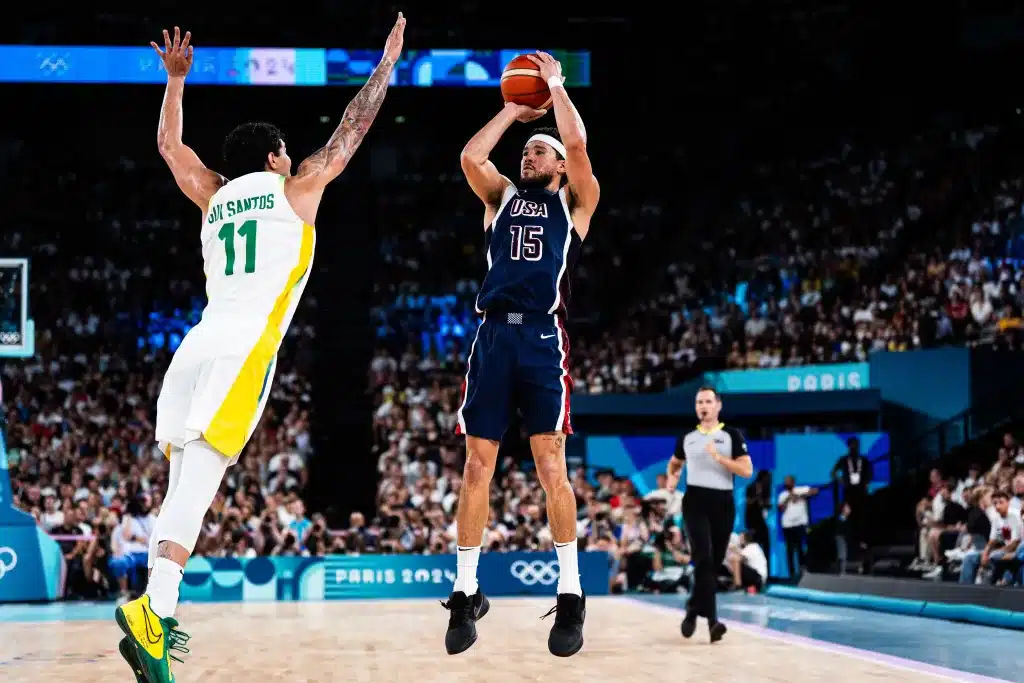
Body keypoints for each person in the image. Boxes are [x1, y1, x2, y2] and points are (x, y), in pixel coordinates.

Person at [114, 18, 405, 683]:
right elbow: (351, 130)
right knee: (204, 478)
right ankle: (154, 609)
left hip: (195, 343)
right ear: (276, 156)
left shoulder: (212, 195)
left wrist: (176, 80)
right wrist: (384, 66)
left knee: (185, 479)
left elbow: (168, 143)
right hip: (245, 345)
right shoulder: (297, 188)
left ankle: (157, 612)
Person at [445, 51, 600, 658]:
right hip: (492, 338)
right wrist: (512, 109)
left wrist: (556, 88)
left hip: (542, 337)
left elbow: (581, 146)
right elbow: (469, 157)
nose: (527, 156)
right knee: (476, 465)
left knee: (549, 464)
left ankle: (570, 593)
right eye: (527, 150)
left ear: (559, 167)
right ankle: (465, 591)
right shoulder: (501, 198)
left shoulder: (575, 203)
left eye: (538, 151)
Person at [665, 387, 753, 643]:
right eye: (699, 402)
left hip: (723, 502)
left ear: (718, 406)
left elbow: (746, 470)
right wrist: (673, 476)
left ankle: (693, 610)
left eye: (708, 401)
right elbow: (675, 461)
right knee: (703, 558)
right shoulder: (688, 437)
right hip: (695, 502)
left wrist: (719, 458)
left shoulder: (731, 435)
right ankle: (713, 622)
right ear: (696, 407)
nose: (703, 406)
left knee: (713, 564)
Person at [778, 475, 818, 579]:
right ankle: (791, 574)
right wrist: (788, 498)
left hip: (800, 524)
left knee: (801, 548)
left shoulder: (801, 489)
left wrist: (800, 496)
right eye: (785, 482)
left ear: (793, 482)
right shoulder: (782, 495)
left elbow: (815, 491)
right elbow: (781, 509)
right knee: (790, 550)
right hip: (788, 525)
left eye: (788, 481)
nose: (786, 484)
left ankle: (802, 571)